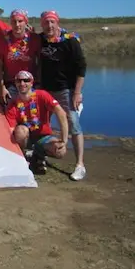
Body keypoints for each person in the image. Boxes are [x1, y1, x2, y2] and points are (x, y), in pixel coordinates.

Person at [40, 10, 87, 181]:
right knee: (42, 124)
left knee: (73, 123)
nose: (50, 25)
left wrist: (77, 92)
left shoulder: (70, 41)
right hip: (45, 90)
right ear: (42, 24)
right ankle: (41, 156)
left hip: (66, 91)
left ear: (57, 23)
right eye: (46, 22)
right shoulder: (40, 40)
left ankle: (80, 164)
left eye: (52, 22)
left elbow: (82, 68)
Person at [5, 71, 69, 174]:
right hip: (26, 137)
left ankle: (39, 156)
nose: (22, 84)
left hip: (43, 137)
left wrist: (64, 140)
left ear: (31, 83)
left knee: (61, 151)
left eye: (26, 80)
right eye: (19, 81)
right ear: (15, 83)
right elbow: (10, 130)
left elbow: (60, 112)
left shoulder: (42, 95)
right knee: (21, 131)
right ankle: (23, 156)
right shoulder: (13, 104)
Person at [0, 9, 42, 105]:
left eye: (20, 21)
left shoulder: (34, 38)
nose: (17, 25)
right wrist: (1, 87)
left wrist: (40, 85)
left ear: (26, 22)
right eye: (14, 21)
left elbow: (41, 62)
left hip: (30, 83)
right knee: (9, 112)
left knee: (33, 114)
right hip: (11, 84)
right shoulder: (2, 40)